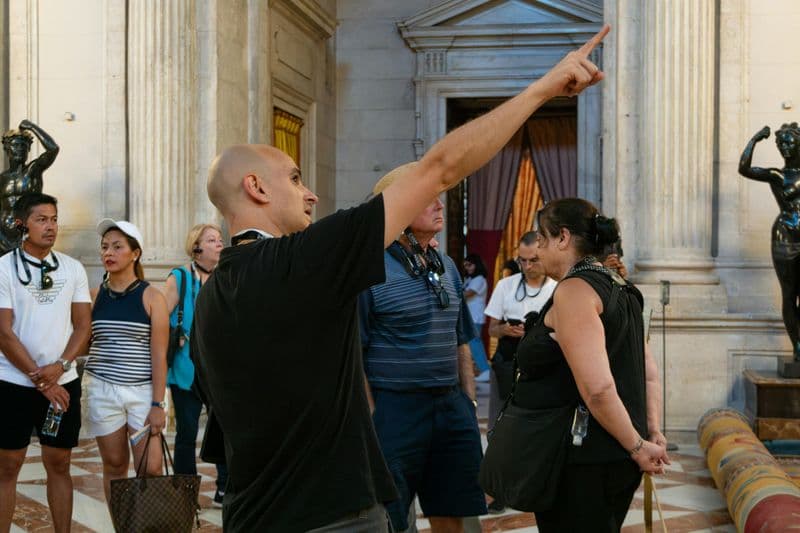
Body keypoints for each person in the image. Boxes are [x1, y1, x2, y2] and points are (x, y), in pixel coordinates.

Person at [191, 25, 608, 533]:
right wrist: (543, 88)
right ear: (255, 187)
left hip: (251, 515)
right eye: (295, 177)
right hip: (331, 515)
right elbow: (441, 168)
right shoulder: (300, 262)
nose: (311, 195)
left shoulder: (211, 294)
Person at [516, 198, 668, 531]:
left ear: (563, 238)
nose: (538, 251)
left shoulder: (574, 291)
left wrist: (640, 446)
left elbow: (597, 388)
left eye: (542, 239)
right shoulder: (623, 287)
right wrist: (650, 431)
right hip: (616, 454)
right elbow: (650, 375)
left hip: (583, 458)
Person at [359, 173, 486, 533]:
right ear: (398, 207)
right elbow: (355, 352)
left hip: (450, 407)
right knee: (392, 516)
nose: (439, 204)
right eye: (427, 197)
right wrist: (373, 415)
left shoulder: (445, 265)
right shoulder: (370, 267)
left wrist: (469, 402)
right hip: (395, 408)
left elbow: (461, 338)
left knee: (455, 509)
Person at [0, 193, 91, 533]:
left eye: (54, 218)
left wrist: (61, 366)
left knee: (60, 462)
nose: (50, 226)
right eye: (41, 219)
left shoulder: (72, 268)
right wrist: (44, 381)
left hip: (63, 383)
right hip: (12, 382)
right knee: (8, 466)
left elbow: (83, 325)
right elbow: (3, 332)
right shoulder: (4, 268)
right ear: (23, 224)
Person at [84, 219, 169, 504]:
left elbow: (159, 356)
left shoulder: (153, 298)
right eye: (105, 247)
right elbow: (81, 342)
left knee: (151, 468)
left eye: (117, 246)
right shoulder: (94, 298)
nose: (109, 252)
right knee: (115, 467)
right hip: (102, 389)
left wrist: (158, 404)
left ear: (135, 253)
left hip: (142, 392)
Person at [483, 231, 556, 514]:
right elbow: (491, 329)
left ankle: (536, 488)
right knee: (499, 427)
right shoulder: (506, 285)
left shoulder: (557, 288)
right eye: (522, 261)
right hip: (506, 360)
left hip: (541, 366)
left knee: (538, 429)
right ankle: (498, 491)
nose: (527, 266)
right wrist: (506, 329)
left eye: (533, 260)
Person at [163, 223, 227, 506]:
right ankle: (185, 492)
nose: (219, 244)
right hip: (186, 369)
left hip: (219, 372)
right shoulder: (180, 277)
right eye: (212, 240)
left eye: (220, 239)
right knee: (187, 434)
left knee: (225, 432)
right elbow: (160, 317)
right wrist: (173, 334)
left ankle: (224, 488)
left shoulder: (226, 276)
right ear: (197, 247)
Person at [739, 123, 800, 360]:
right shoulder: (778, 175)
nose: (784, 147)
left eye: (789, 142)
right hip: (785, 236)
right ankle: (797, 345)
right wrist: (755, 138)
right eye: (780, 143)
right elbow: (744, 168)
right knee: (789, 292)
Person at [0, 121, 60, 254]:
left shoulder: (33, 170)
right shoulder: (2, 179)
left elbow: (53, 149)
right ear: (7, 149)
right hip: (3, 235)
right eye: (15, 145)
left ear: (28, 150)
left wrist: (32, 127)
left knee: (30, 272)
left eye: (23, 146)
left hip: (29, 234)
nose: (20, 149)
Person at [463, 252, 490, 381]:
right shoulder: (470, 279)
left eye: (470, 265)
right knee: (472, 345)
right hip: (470, 316)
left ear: (476, 265)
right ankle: (481, 370)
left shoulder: (479, 279)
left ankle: (485, 370)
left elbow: (468, 294)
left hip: (476, 317)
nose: (467, 268)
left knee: (475, 344)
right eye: (465, 265)